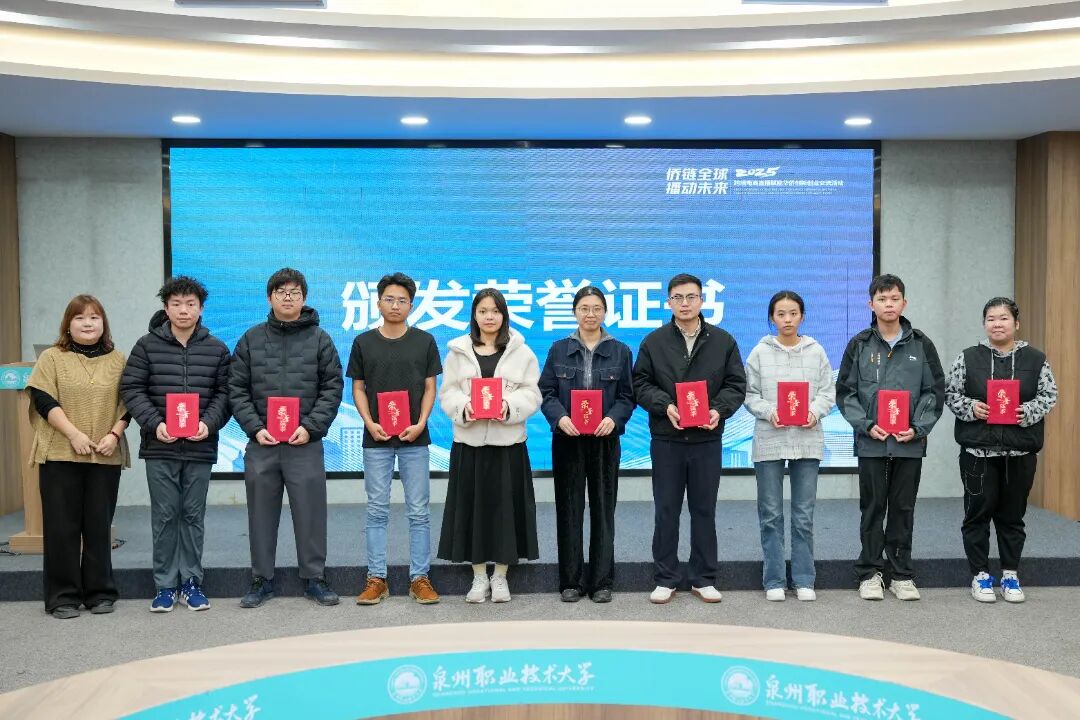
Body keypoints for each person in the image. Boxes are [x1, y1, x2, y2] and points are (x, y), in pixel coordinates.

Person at [228, 268, 343, 608]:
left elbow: (332, 388)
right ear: (270, 298)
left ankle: (315, 578)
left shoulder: (320, 339)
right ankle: (261, 579)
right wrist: (254, 427)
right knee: (260, 514)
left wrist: (310, 427)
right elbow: (236, 388)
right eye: (281, 292)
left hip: (304, 442)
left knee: (310, 513)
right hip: (262, 443)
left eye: (294, 292)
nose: (288, 297)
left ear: (304, 298)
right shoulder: (251, 339)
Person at [633, 273, 746, 605]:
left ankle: (703, 577)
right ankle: (665, 578)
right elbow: (640, 383)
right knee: (666, 510)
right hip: (667, 439)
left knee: (704, 510)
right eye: (678, 298)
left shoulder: (723, 341)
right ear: (669, 302)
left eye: (691, 297)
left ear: (702, 300)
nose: (685, 303)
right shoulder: (654, 342)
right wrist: (665, 405)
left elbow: (736, 385)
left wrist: (718, 410)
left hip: (706, 440)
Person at [120, 276, 231, 613]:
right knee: (166, 516)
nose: (184, 310)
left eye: (190, 304)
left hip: (200, 446)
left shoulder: (217, 349)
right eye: (177, 304)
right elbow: (132, 389)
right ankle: (165, 586)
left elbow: (226, 393)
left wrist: (207, 423)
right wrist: (156, 424)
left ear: (201, 308)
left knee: (193, 515)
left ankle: (191, 582)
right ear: (166, 308)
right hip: (160, 446)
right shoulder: (146, 346)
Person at [836, 274, 945, 602]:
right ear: (871, 304)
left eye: (894, 299)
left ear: (904, 303)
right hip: (871, 442)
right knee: (872, 508)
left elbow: (934, 390)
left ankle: (901, 574)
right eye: (882, 299)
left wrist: (918, 427)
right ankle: (870, 572)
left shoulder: (921, 344)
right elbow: (846, 392)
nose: (888, 305)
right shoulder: (859, 344)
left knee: (902, 508)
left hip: (909, 443)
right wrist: (866, 424)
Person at [946, 297, 1057, 603]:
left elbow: (1049, 395)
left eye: (1004, 318)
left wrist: (1029, 411)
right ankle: (980, 575)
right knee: (976, 516)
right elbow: (951, 393)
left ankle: (1010, 575)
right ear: (984, 324)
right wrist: (971, 407)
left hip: (1019, 454)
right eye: (991, 319)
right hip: (978, 453)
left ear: (1016, 323)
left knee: (1012, 518)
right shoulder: (968, 357)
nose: (997, 324)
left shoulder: (1036, 359)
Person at [26, 295, 130, 619]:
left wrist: (114, 435)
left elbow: (129, 403)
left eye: (94, 317)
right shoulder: (52, 358)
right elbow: (43, 399)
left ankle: (100, 593)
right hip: (60, 454)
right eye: (80, 318)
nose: (88, 323)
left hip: (105, 454)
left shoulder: (118, 359)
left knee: (99, 527)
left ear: (103, 323)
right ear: (68, 324)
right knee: (61, 528)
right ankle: (63, 597)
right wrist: (73, 434)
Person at [437, 288, 541, 603]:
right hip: (469, 445)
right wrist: (464, 407)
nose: (489, 317)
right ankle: (479, 576)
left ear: (504, 314)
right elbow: (447, 392)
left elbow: (532, 393)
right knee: (473, 510)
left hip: (507, 445)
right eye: (483, 311)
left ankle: (501, 577)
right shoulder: (457, 351)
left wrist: (509, 406)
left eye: (495, 311)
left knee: (506, 511)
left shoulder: (521, 351)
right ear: (474, 315)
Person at [348, 273, 442, 606]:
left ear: (411, 305)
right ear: (378, 303)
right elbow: (358, 387)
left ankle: (420, 578)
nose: (395, 305)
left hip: (415, 438)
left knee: (418, 511)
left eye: (402, 300)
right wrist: (369, 422)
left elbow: (430, 387)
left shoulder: (424, 341)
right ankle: (376, 578)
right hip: (376, 438)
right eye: (389, 299)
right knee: (376, 510)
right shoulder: (363, 342)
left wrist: (420, 423)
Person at [538, 286, 635, 603]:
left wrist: (614, 419)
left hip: (605, 440)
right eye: (584, 308)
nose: (590, 314)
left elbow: (627, 396)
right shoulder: (558, 350)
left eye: (596, 308)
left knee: (604, 511)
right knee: (569, 510)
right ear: (574, 312)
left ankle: (602, 581)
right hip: (568, 440)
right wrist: (560, 417)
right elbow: (546, 392)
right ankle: (571, 581)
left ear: (605, 312)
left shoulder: (621, 351)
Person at [743, 290, 835, 602]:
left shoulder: (816, 351)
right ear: (772, 317)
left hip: (807, 440)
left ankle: (804, 578)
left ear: (802, 316)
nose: (787, 320)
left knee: (803, 515)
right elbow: (749, 394)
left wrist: (814, 412)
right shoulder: (759, 352)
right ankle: (774, 580)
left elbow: (828, 391)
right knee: (770, 514)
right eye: (781, 314)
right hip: (770, 439)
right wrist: (770, 411)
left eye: (793, 313)